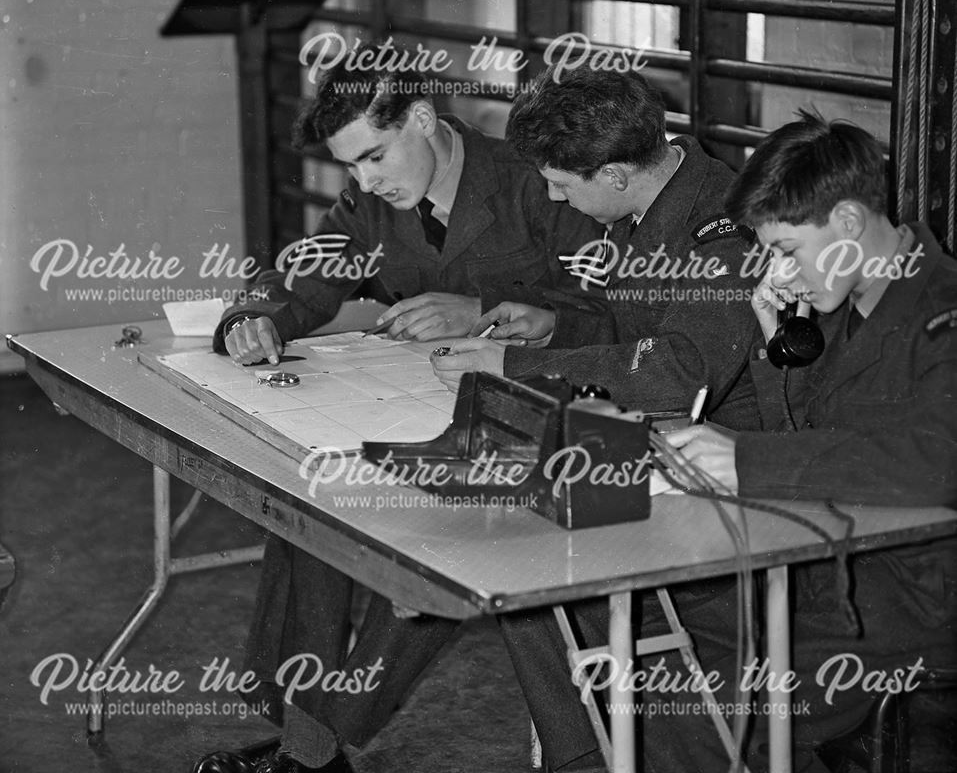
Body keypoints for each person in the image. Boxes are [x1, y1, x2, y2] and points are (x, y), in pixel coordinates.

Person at [491, 112, 957, 773]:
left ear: (849, 224)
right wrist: (775, 343)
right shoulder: (844, 299)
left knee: (667, 714)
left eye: (787, 250)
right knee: (552, 600)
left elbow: (936, 464)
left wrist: (740, 458)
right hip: (810, 572)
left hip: (896, 608)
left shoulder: (938, 311)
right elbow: (808, 437)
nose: (776, 268)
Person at [194, 49, 601, 773]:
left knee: (415, 543)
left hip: (543, 410)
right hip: (424, 405)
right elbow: (301, 276)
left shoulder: (530, 180)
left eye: (374, 158)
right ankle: (303, 734)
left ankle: (317, 746)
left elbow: (605, 310)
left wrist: (480, 312)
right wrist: (253, 319)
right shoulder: (372, 199)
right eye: (350, 168)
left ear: (421, 119)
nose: (365, 181)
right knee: (309, 509)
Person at [431, 63, 764, 772]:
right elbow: (633, 330)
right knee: (485, 517)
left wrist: (515, 369)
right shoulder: (655, 198)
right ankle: (582, 749)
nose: (552, 195)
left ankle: (582, 756)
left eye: (559, 183)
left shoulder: (720, 225)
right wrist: (553, 327)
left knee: (516, 543)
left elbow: (678, 369)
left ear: (613, 174)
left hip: (723, 457)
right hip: (658, 436)